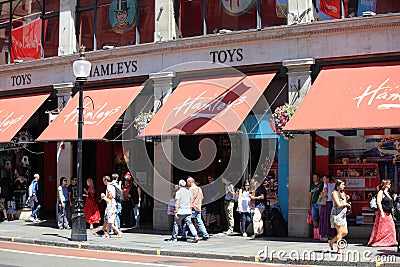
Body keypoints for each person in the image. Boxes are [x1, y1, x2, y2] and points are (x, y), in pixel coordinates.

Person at [368, 179, 397, 247]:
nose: (390, 185)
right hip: (383, 212)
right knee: (382, 228)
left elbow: (390, 202)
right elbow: (379, 202)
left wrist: (394, 199)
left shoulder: (388, 193)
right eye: (389, 184)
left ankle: (390, 241)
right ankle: (381, 241)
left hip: (388, 212)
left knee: (390, 227)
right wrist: (382, 212)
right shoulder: (381, 192)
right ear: (385, 185)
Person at [329, 179, 351, 254]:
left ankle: (331, 241)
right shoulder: (334, 193)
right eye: (342, 184)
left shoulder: (343, 193)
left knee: (345, 232)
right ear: (338, 186)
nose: (344, 186)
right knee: (340, 232)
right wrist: (346, 204)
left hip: (343, 215)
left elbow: (344, 200)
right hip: (336, 215)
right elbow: (339, 204)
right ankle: (339, 249)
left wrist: (347, 199)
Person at [319, 175, 336, 241]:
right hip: (332, 203)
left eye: (325, 179)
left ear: (328, 179)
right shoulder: (334, 185)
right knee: (331, 218)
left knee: (325, 218)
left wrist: (321, 194)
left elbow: (325, 194)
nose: (324, 180)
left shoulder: (325, 184)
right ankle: (332, 234)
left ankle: (325, 234)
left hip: (326, 203)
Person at [309, 173, 323, 239]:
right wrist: (309, 204)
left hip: (319, 203)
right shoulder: (312, 185)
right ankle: (316, 233)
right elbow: (310, 195)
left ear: (318, 178)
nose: (314, 179)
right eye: (313, 177)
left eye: (315, 177)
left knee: (321, 217)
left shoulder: (321, 185)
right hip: (313, 203)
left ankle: (321, 232)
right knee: (314, 218)